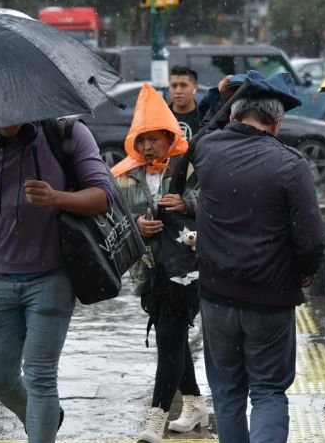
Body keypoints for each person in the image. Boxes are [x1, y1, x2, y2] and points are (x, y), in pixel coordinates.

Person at [0, 119, 112, 442]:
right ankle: (46, 416)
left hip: (53, 277)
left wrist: (57, 198)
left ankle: (41, 425)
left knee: (41, 377)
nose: (8, 120)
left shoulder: (66, 135)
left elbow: (103, 196)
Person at [189, 71, 325, 442]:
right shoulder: (290, 164)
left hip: (216, 295)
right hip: (270, 299)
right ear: (277, 123)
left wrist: (215, 97)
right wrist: (307, 270)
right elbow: (312, 240)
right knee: (267, 391)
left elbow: (201, 130)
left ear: (234, 114)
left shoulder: (207, 150)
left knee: (228, 391)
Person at [111, 83, 207, 443]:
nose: (149, 146)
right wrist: (136, 226)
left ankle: (156, 417)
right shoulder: (122, 175)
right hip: (149, 269)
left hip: (185, 266)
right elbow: (114, 218)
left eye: (156, 138)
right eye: (142, 139)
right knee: (175, 334)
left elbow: (213, 201)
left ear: (171, 138)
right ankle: (195, 403)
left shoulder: (190, 168)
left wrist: (187, 205)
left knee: (168, 336)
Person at [167, 65, 201, 139]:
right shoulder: (161, 117)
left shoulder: (205, 116)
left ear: (195, 87)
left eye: (183, 85)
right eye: (174, 85)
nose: (178, 91)